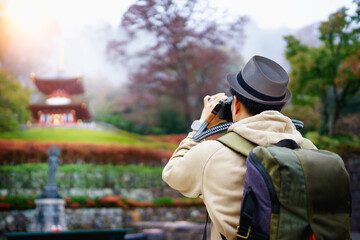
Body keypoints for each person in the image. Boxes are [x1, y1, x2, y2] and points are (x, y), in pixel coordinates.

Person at [162, 55, 316, 240]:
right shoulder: (308, 150)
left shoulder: (211, 154)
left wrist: (201, 126)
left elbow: (172, 173)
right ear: (280, 106)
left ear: (235, 104)